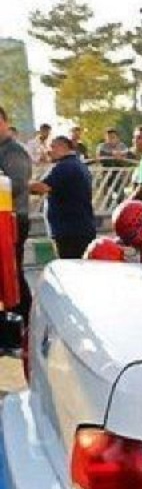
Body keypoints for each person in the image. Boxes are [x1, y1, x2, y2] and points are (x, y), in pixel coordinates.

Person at [27, 136, 96, 259]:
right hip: (80, 227)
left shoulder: (64, 167)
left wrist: (16, 184)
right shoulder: (79, 165)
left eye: (52, 147)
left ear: (62, 147)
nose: (49, 151)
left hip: (68, 231)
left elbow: (42, 188)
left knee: (69, 264)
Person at [0, 106, 33, 327]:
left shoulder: (13, 151)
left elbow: (17, 185)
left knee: (12, 274)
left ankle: (25, 321)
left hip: (12, 220)